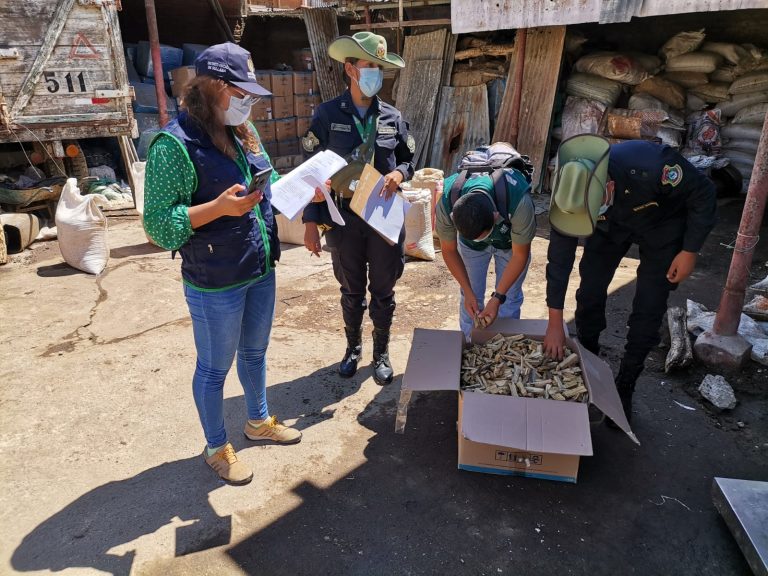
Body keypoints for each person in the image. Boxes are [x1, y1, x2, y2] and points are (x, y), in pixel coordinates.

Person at [143, 42, 302, 486]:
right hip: (215, 283)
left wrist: (306, 187)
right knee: (214, 368)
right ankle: (216, 447)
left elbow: (265, 187)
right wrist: (216, 209)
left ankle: (258, 421)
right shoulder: (173, 146)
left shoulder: (241, 132)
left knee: (255, 353)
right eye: (241, 92)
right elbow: (158, 226)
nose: (248, 102)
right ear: (213, 86)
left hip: (258, 268)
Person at [543, 135, 717, 425]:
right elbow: (559, 262)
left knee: (649, 304)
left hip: (662, 222)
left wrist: (689, 250)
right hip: (609, 227)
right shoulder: (569, 195)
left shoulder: (651, 165)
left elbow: (704, 194)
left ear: (607, 188)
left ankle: (626, 383)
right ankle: (589, 363)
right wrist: (554, 322)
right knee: (589, 292)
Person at [300, 32, 415, 385]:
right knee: (351, 288)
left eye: (380, 68)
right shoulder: (326, 114)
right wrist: (309, 222)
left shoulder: (393, 117)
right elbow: (311, 169)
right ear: (350, 69)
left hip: (382, 216)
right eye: (369, 66)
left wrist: (398, 172)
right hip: (344, 217)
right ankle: (352, 348)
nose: (375, 74)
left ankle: (381, 352)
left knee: (384, 288)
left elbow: (409, 158)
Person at [435, 144, 536, 336]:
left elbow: (519, 255)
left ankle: (506, 347)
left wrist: (497, 297)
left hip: (509, 245)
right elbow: (448, 250)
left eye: (484, 236)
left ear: (496, 216)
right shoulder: (448, 198)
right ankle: (469, 343)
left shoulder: (519, 201)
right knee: (470, 298)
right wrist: (467, 291)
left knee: (510, 297)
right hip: (471, 249)